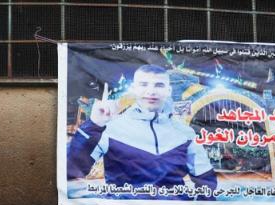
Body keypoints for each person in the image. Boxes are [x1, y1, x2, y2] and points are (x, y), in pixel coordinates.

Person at [67, 64, 217, 197]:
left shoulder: (185, 133)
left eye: (159, 85)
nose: (151, 91)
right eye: (144, 84)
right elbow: (72, 169)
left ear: (168, 90)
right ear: (134, 89)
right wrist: (94, 124)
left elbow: (206, 182)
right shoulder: (110, 129)